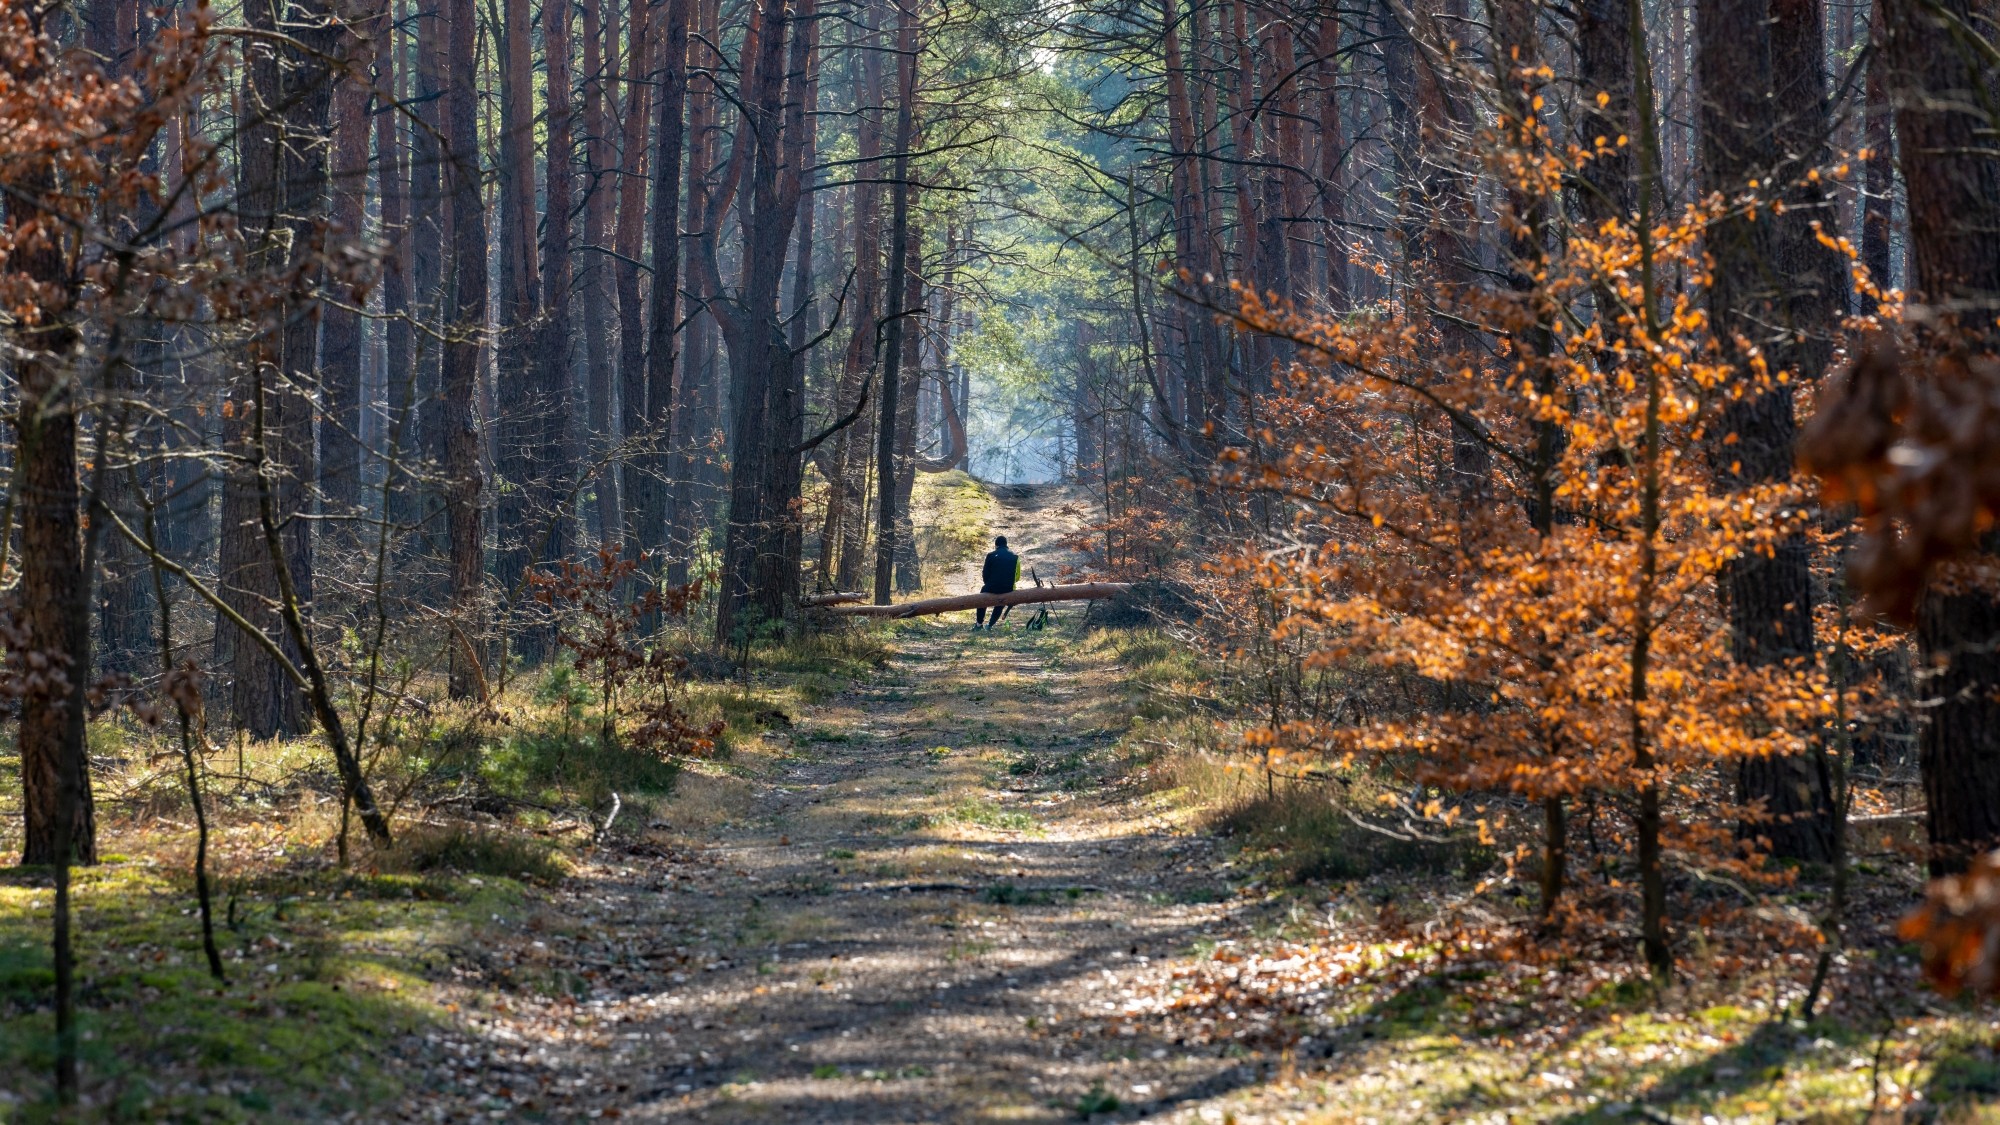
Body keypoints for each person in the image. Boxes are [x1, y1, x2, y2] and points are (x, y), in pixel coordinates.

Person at [974, 535, 1020, 630]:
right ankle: (990, 625)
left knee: (982, 598)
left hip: (992, 586)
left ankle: (979, 624)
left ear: (996, 545)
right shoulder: (1015, 557)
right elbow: (1017, 576)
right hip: (1008, 587)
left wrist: (988, 584)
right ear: (1006, 544)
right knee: (1001, 602)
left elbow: (985, 573)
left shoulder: (990, 555)